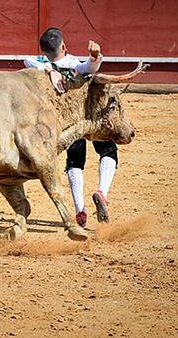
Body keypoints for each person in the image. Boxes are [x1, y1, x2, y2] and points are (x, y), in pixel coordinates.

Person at [24, 27, 118, 228]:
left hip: (62, 123)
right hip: (86, 115)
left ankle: (79, 210)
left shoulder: (38, 64)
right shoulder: (73, 63)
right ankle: (102, 191)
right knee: (108, 149)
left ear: (44, 51)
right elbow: (88, 68)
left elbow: (26, 60)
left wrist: (49, 68)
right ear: (64, 46)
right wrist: (95, 58)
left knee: (75, 160)